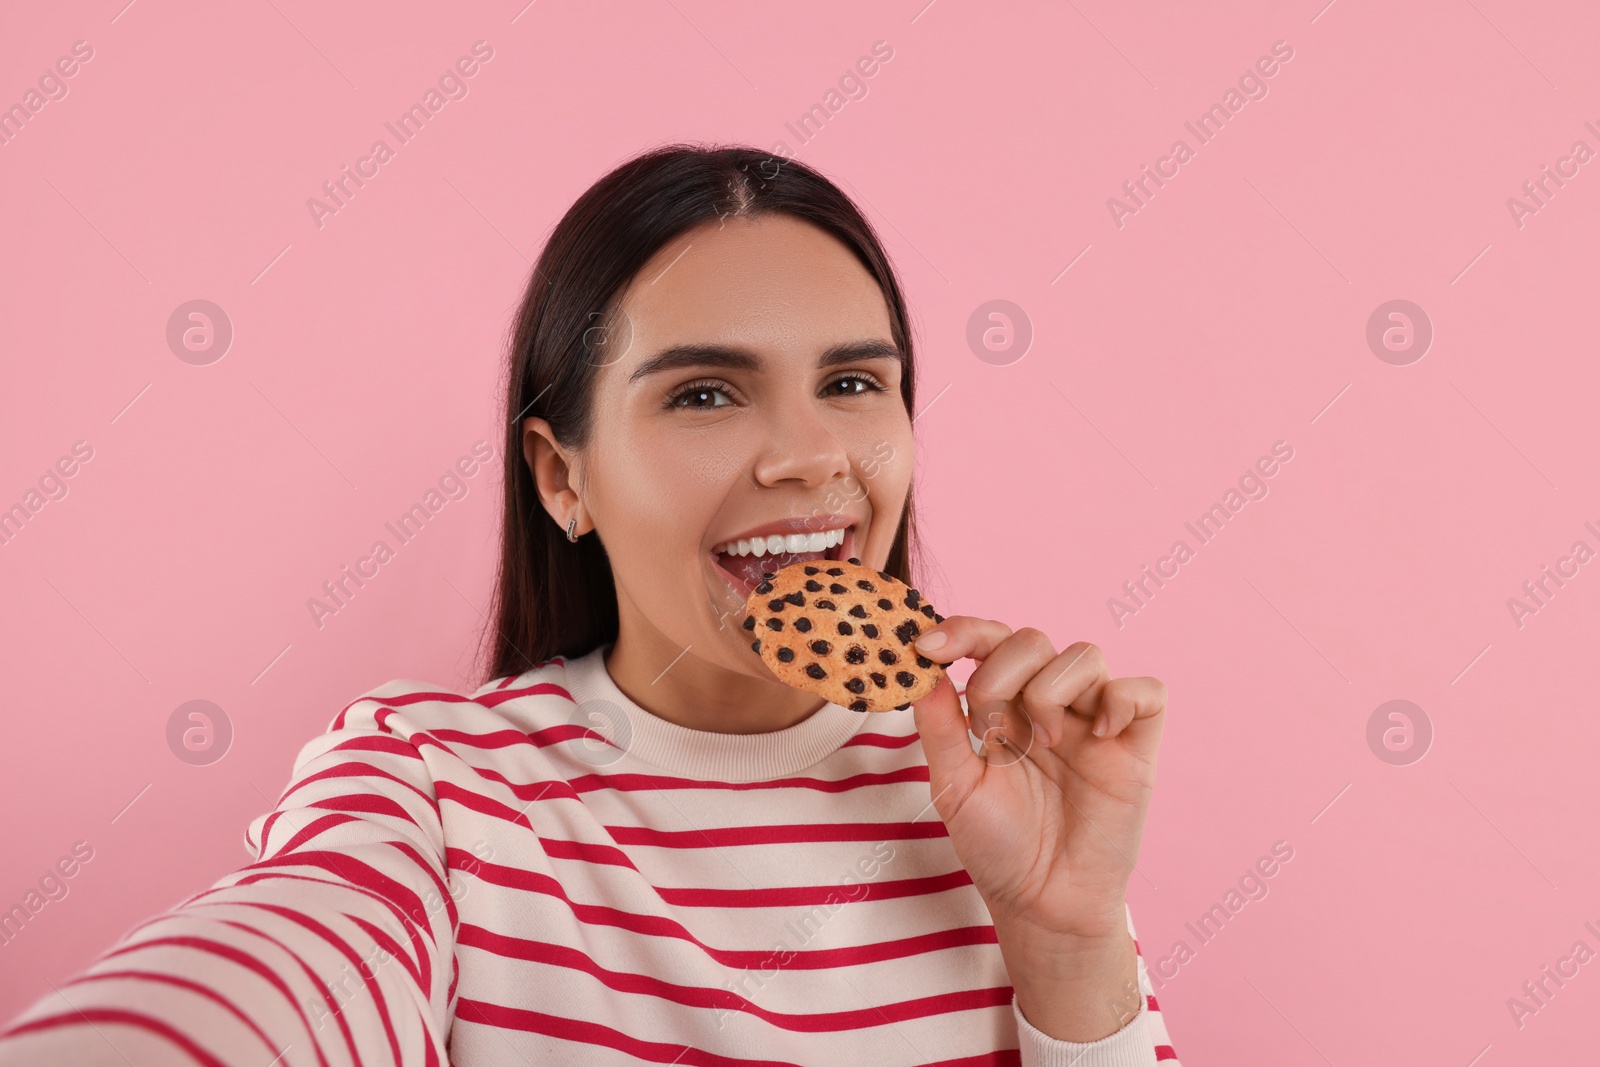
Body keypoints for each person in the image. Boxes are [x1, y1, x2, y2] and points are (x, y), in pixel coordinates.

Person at [0, 144, 1179, 1065]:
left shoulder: (1001, 787)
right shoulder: (432, 785)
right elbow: (285, 966)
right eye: (708, 391)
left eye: (854, 382)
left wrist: (1069, 941)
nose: (812, 454)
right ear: (564, 475)